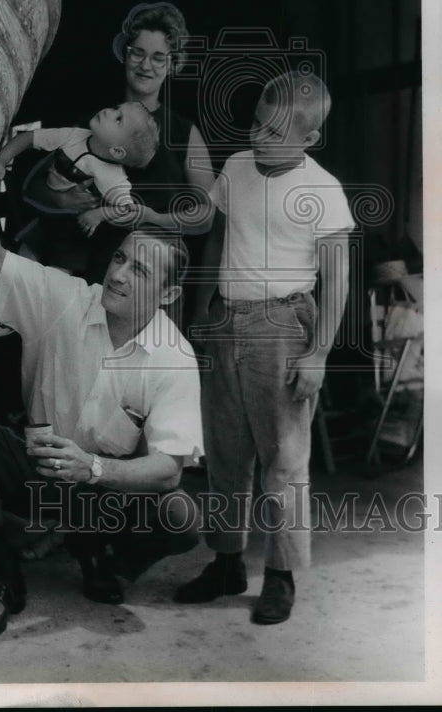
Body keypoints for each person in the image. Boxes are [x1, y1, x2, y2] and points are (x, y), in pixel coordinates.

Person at [0, 160, 203, 641]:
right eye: (120, 258)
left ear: (168, 294)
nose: (118, 275)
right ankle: (6, 577)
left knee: (181, 516)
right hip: (37, 472)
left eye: (139, 271)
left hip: (104, 493)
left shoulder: (175, 357)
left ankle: (102, 558)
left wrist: (94, 468)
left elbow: (169, 469)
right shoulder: (65, 298)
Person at [175, 70, 354, 625]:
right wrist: (201, 308)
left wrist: (318, 354)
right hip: (226, 319)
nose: (258, 135)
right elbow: (216, 235)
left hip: (283, 327)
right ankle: (227, 562)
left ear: (308, 137)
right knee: (225, 452)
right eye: (256, 123)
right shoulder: (235, 167)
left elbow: (338, 278)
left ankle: (280, 574)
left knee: (284, 459)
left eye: (274, 131)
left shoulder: (323, 190)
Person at [23, 2, 215, 298]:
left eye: (158, 57)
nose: (145, 65)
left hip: (139, 279)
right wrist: (63, 200)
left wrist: (153, 217)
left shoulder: (185, 133)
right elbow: (34, 187)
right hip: (75, 270)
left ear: (172, 64)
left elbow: (206, 215)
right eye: (137, 52)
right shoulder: (98, 121)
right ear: (125, 54)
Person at [0, 100, 159, 274]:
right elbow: (29, 138)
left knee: (56, 277)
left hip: (70, 237)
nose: (108, 111)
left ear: (117, 151)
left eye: (118, 119)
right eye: (116, 108)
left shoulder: (113, 177)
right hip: (43, 217)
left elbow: (130, 209)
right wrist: (2, 160)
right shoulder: (73, 136)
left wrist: (99, 214)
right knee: (19, 266)